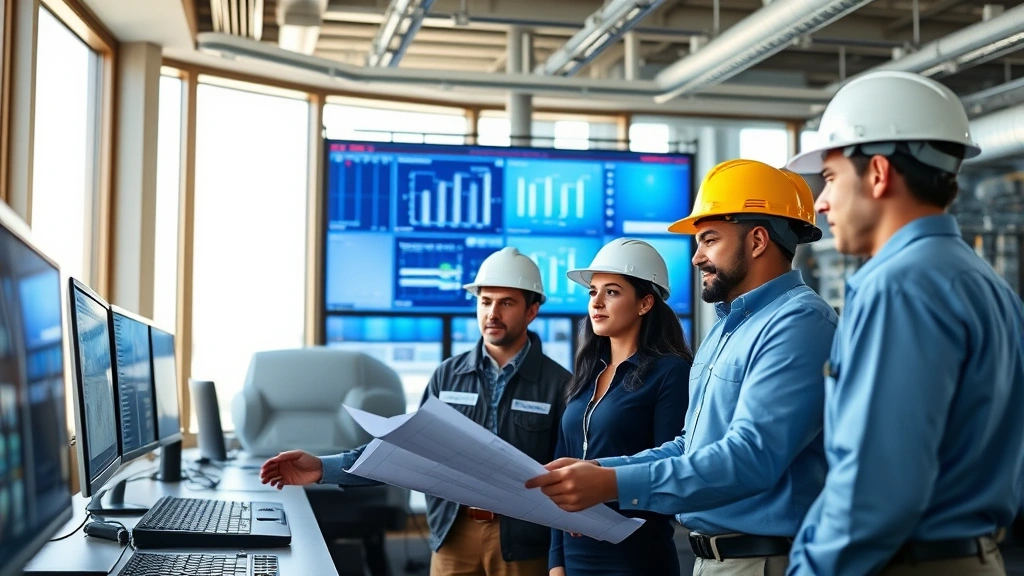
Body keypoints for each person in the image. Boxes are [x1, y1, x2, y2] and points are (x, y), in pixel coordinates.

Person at [526, 159, 839, 576]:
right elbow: (687, 447)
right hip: (714, 560)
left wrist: (611, 484)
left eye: (708, 240)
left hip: (763, 560)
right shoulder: (726, 330)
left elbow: (752, 457)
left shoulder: (799, 322)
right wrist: (599, 469)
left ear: (758, 240)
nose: (696, 258)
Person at [783, 70, 1024, 576]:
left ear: (877, 173)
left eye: (829, 178)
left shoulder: (898, 285)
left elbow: (876, 488)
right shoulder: (986, 285)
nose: (822, 203)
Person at [260, 246, 572, 576]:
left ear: (532, 310)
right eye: (485, 301)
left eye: (506, 303)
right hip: (454, 534)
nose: (492, 313)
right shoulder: (447, 376)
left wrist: (560, 557)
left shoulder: (560, 385)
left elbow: (570, 482)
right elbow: (404, 451)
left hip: (524, 540)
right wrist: (324, 468)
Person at [549, 238, 693, 576]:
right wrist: (556, 562)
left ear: (645, 303)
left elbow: (672, 472)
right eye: (592, 292)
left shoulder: (671, 372)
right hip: (574, 558)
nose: (596, 302)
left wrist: (598, 499)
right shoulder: (585, 373)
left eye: (611, 292)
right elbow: (558, 469)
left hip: (635, 558)